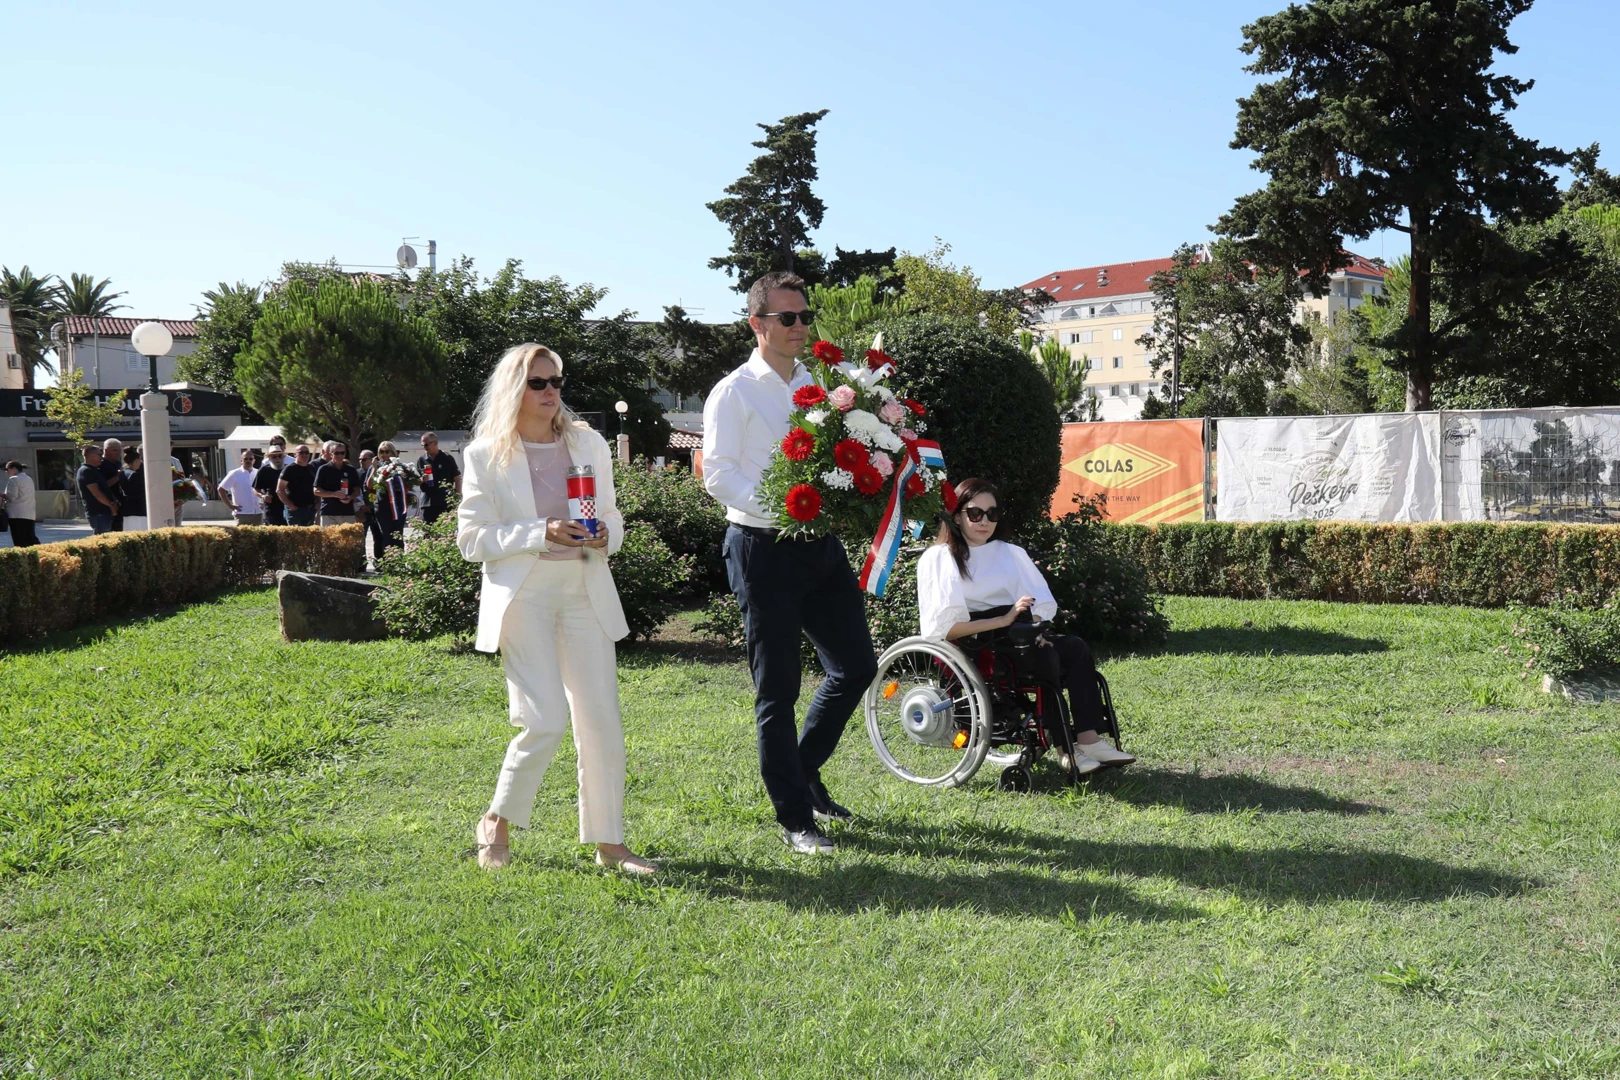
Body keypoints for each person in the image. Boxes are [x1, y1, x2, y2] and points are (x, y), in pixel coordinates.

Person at [459, 342, 655, 875]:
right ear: (514, 389)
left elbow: (611, 515)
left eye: (556, 382)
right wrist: (537, 532)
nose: (551, 392)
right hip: (524, 594)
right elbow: (472, 540)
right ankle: (496, 821)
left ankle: (610, 842)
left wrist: (605, 535)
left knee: (601, 720)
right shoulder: (486, 455)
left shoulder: (587, 443)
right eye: (538, 383)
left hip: (585, 589)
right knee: (543, 719)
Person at [700, 270, 878, 855]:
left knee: (855, 666)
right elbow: (718, 474)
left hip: (819, 544)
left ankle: (802, 772)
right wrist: (784, 506)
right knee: (777, 691)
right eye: (787, 317)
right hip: (761, 549)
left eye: (804, 316)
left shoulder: (819, 384)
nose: (799, 325)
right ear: (757, 323)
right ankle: (796, 820)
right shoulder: (733, 391)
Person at [918, 478, 1134, 773]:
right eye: (975, 513)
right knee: (1046, 657)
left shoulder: (1010, 553)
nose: (985, 521)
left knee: (1075, 647)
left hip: (1018, 633)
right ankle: (1065, 749)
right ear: (957, 516)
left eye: (992, 513)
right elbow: (945, 628)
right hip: (977, 644)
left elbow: (1038, 604)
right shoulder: (941, 558)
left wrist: (1034, 629)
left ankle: (1089, 738)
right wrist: (1004, 620)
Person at [366, 441, 410, 556]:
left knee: (398, 535)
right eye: (381, 452)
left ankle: (399, 561)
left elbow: (409, 483)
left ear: (393, 453)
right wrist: (374, 469)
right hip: (383, 506)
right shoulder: (376, 467)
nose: (384, 454)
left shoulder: (399, 467)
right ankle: (388, 562)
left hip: (398, 506)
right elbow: (369, 486)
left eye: (387, 451)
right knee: (387, 536)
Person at [313, 442, 362, 527]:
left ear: (345, 454)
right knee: (329, 536)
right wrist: (333, 494)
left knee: (348, 536)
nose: (339, 455)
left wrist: (350, 497)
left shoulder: (351, 470)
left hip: (347, 512)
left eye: (342, 453)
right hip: (328, 512)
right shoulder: (323, 469)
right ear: (331, 454)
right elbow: (316, 491)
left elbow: (357, 490)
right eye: (336, 453)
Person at [417, 432, 461, 524]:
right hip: (427, 504)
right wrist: (422, 480)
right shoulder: (421, 460)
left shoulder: (447, 458)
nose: (425, 447)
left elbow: (457, 478)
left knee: (444, 530)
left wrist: (457, 499)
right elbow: (416, 481)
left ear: (435, 443)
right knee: (428, 531)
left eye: (426, 444)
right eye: (423, 445)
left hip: (444, 503)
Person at [77, 444, 120, 534]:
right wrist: (111, 506)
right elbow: (97, 493)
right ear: (92, 456)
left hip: (103, 512)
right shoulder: (86, 471)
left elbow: (104, 487)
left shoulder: (95, 470)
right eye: (100, 455)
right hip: (98, 513)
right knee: (102, 539)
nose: (102, 458)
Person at [217, 449, 263, 527]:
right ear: (241, 461)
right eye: (245, 459)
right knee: (242, 535)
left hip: (257, 512)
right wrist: (230, 506)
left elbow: (264, 489)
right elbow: (221, 489)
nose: (248, 460)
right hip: (242, 513)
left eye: (250, 459)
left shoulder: (258, 473)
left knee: (259, 535)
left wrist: (263, 502)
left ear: (254, 461)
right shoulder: (234, 473)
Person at [277, 445, 319, 526]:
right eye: (301, 453)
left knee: (309, 534)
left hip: (310, 510)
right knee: (295, 534)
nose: (304, 455)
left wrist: (318, 502)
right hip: (294, 511)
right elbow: (279, 490)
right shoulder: (289, 469)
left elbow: (316, 487)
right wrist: (290, 505)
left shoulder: (311, 468)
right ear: (295, 454)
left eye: (306, 452)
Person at [2, 461, 38, 547]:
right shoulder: (28, 479)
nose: (6, 472)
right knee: (30, 539)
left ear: (14, 468)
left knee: (19, 541)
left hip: (16, 515)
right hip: (29, 514)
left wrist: (2, 495)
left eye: (7, 469)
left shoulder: (14, 479)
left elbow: (12, 497)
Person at [254, 445, 288, 526]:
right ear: (269, 457)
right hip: (271, 509)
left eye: (279, 456)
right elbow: (256, 489)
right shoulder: (264, 470)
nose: (277, 458)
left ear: (283, 456)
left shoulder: (288, 469)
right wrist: (263, 496)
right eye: (274, 456)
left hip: (288, 507)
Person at [119, 446, 149, 530]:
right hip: (138, 509)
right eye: (139, 460)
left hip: (127, 508)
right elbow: (139, 492)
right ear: (136, 461)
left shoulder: (122, 473)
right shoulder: (134, 475)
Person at [100, 438, 126, 532]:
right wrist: (117, 477)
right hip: (107, 505)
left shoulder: (118, 463)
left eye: (119, 450)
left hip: (120, 502)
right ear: (106, 450)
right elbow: (101, 486)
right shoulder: (101, 465)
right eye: (115, 450)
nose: (118, 453)